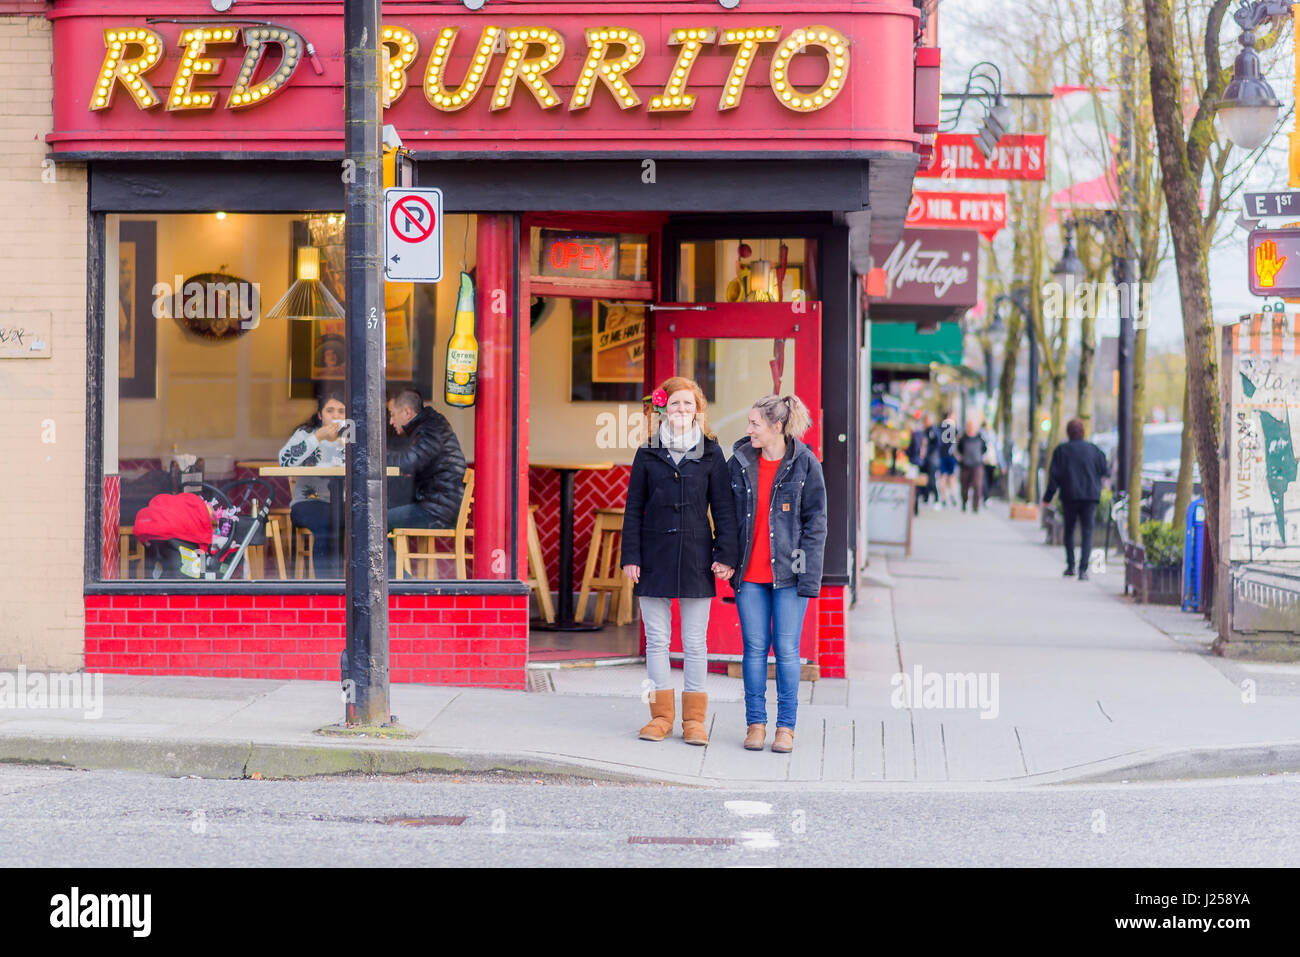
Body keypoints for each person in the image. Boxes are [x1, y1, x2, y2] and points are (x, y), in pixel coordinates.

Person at [621, 377, 738, 746]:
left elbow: (723, 509)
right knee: (656, 640)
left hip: (696, 556)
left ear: (698, 411)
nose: (682, 411)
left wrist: (725, 555)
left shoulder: (711, 454)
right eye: (675, 404)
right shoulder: (647, 453)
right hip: (652, 556)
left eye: (689, 405)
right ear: (663, 410)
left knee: (694, 642)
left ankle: (694, 721)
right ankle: (660, 717)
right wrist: (630, 556)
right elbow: (633, 508)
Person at [729, 394, 827, 755]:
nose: (748, 429)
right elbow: (725, 516)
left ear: (776, 427)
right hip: (749, 574)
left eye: (755, 423)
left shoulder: (805, 463)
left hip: (790, 574)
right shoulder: (739, 462)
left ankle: (786, 728)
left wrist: (808, 577)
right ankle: (755, 723)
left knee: (786, 650)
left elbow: (816, 523)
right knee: (754, 649)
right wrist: (723, 557)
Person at [278, 390, 346, 577]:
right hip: (308, 502)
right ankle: (328, 586)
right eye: (330, 411)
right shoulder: (305, 434)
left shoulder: (352, 436)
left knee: (365, 524)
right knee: (327, 523)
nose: (336, 416)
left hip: (344, 503)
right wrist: (317, 437)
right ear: (320, 415)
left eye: (341, 411)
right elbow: (285, 460)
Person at [386, 389, 467, 532]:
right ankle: (394, 555)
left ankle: (389, 556)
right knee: (382, 513)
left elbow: (410, 462)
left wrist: (376, 456)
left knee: (376, 521)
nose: (391, 421)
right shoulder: (428, 425)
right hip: (438, 504)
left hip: (438, 510)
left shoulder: (430, 429)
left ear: (407, 412)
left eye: (392, 415)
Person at [1042, 417, 1109, 580]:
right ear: (1083, 432)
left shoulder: (1061, 451)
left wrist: (1047, 498)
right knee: (1087, 532)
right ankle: (1083, 570)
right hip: (1090, 497)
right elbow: (1104, 471)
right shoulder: (1094, 450)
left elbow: (1054, 478)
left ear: (1068, 433)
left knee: (1069, 530)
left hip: (1070, 496)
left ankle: (1071, 566)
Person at [955, 417, 987, 513]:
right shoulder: (963, 438)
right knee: (964, 486)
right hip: (965, 465)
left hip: (977, 465)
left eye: (973, 426)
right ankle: (964, 502)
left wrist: (980, 458)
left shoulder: (980, 437)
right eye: (969, 426)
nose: (971, 428)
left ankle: (975, 507)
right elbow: (958, 450)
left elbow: (984, 449)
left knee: (977, 486)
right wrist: (961, 459)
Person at [937, 410, 959, 507]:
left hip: (942, 455)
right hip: (951, 455)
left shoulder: (940, 427)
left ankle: (944, 497)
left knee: (943, 476)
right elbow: (956, 441)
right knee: (951, 477)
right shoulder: (953, 427)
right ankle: (952, 495)